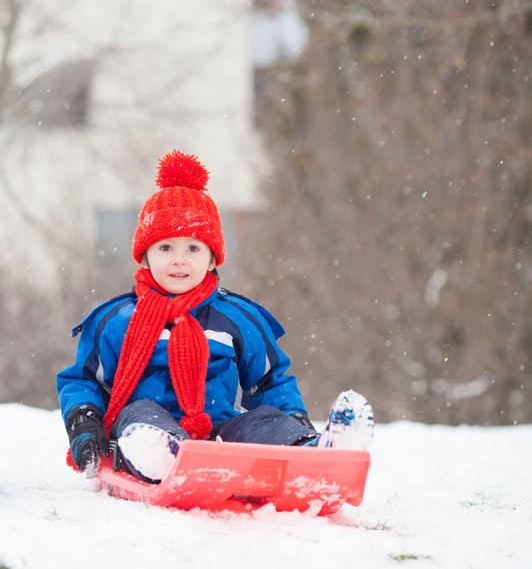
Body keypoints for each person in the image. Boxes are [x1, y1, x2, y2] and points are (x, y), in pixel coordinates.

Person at [56, 150, 374, 482]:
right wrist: (85, 421)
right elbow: (84, 380)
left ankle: (314, 451)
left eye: (193, 249)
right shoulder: (117, 320)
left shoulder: (236, 317)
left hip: (220, 434)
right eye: (166, 248)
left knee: (260, 420)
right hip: (140, 432)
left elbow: (269, 379)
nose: (179, 260)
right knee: (140, 415)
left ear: (211, 260)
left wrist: (291, 418)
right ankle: (162, 457)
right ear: (145, 256)